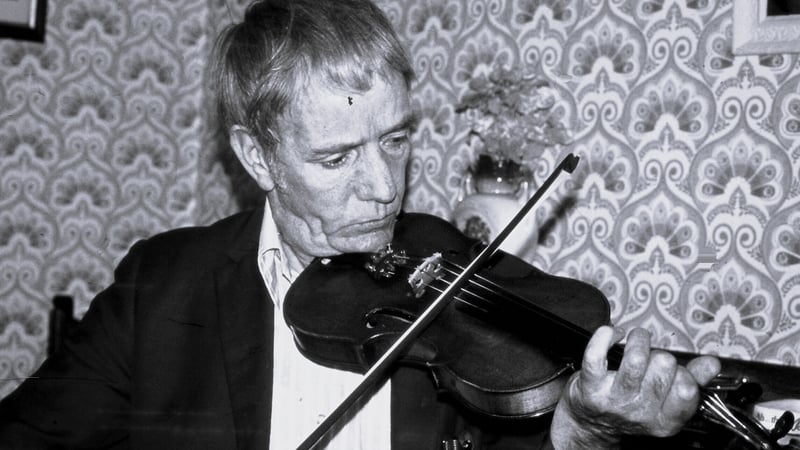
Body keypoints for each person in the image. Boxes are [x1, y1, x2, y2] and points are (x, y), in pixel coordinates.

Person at [0, 0, 720, 448]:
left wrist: (585, 427)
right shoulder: (160, 288)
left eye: (397, 140)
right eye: (337, 156)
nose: (383, 189)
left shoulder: (449, 271)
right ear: (257, 156)